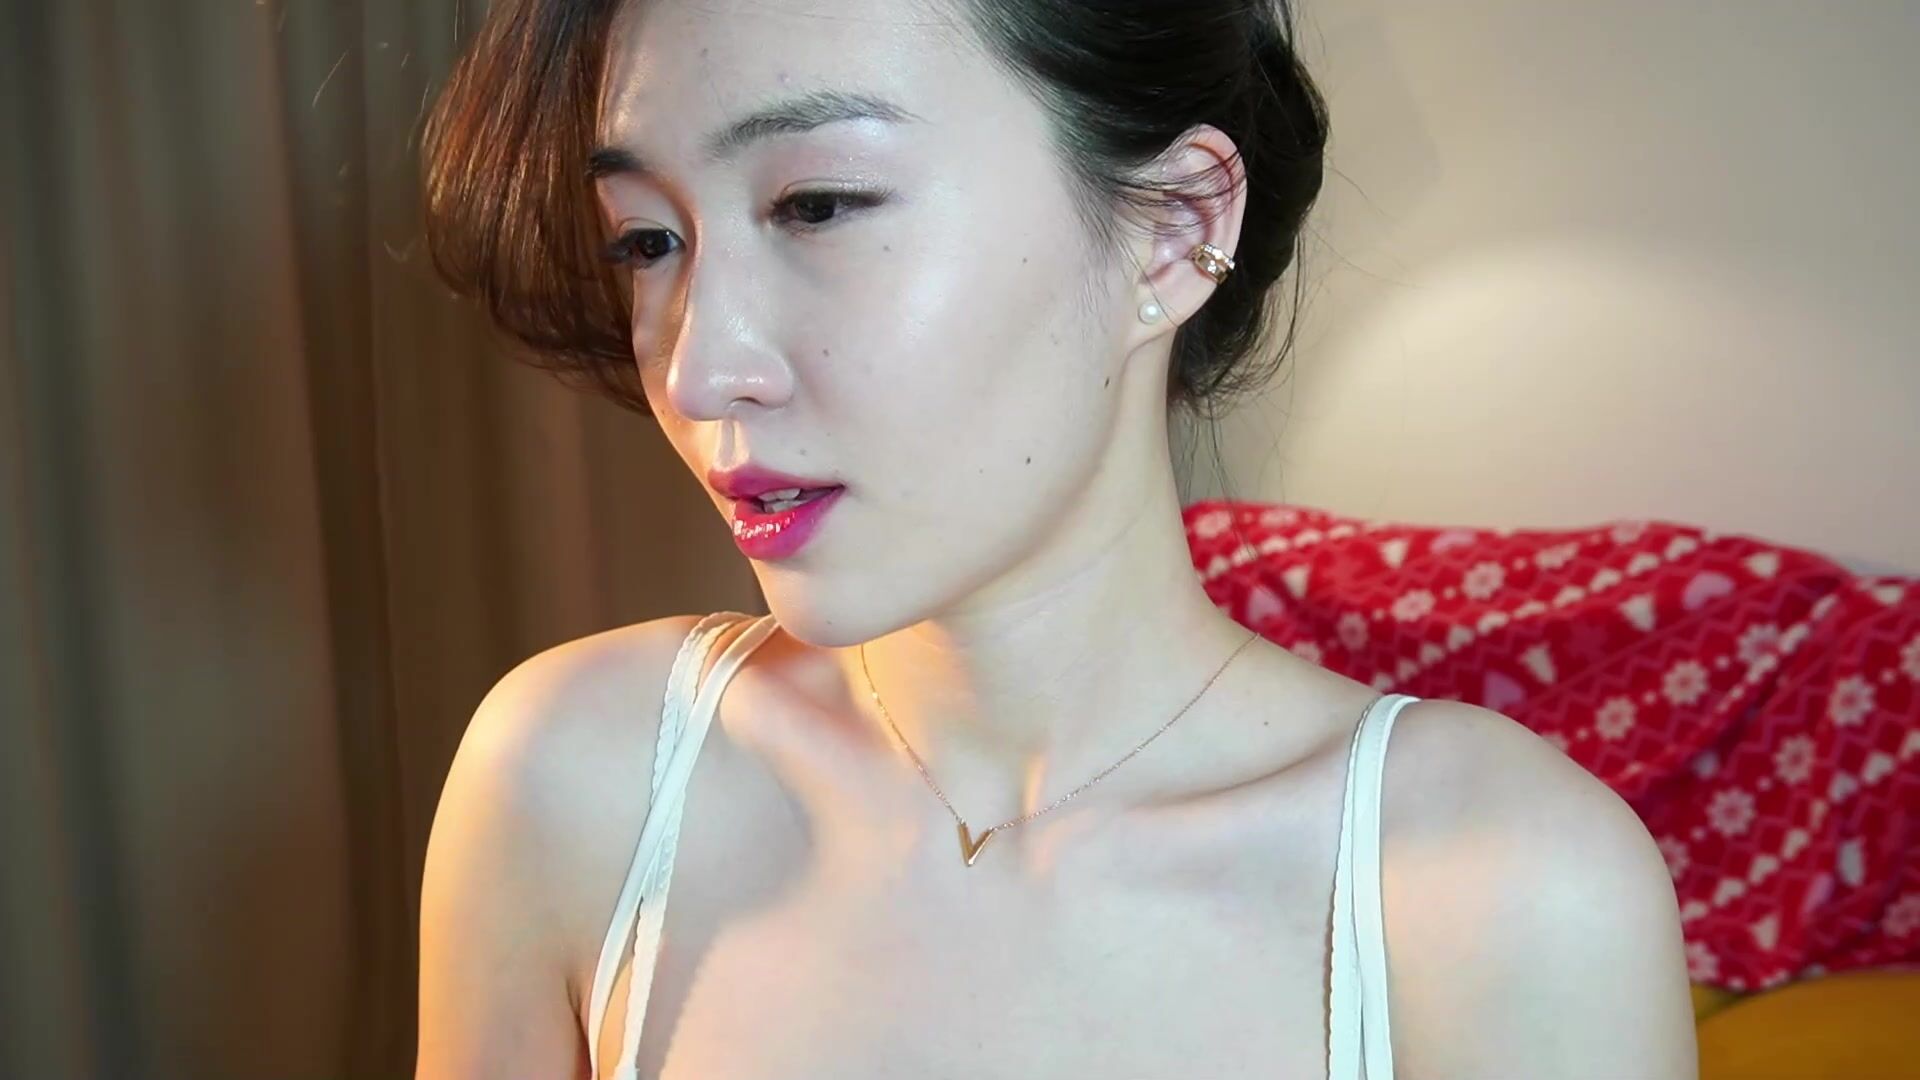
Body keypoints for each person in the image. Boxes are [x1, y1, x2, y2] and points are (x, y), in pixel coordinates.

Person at [412, 1, 1698, 1077]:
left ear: (1175, 228)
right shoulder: (584, 782)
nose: (699, 370)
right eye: (648, 239)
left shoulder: (1496, 891)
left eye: (819, 205)